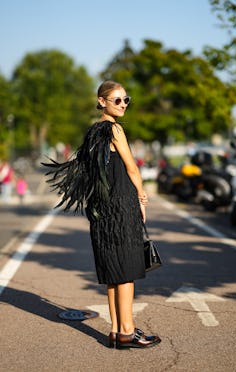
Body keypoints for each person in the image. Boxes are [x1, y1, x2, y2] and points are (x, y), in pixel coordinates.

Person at [43, 80, 161, 349]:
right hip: (121, 206)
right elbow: (131, 168)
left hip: (101, 208)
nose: (123, 105)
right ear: (101, 101)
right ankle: (129, 332)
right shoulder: (114, 129)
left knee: (113, 272)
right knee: (127, 270)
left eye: (125, 100)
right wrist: (142, 197)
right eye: (117, 100)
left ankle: (117, 331)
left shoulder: (92, 133)